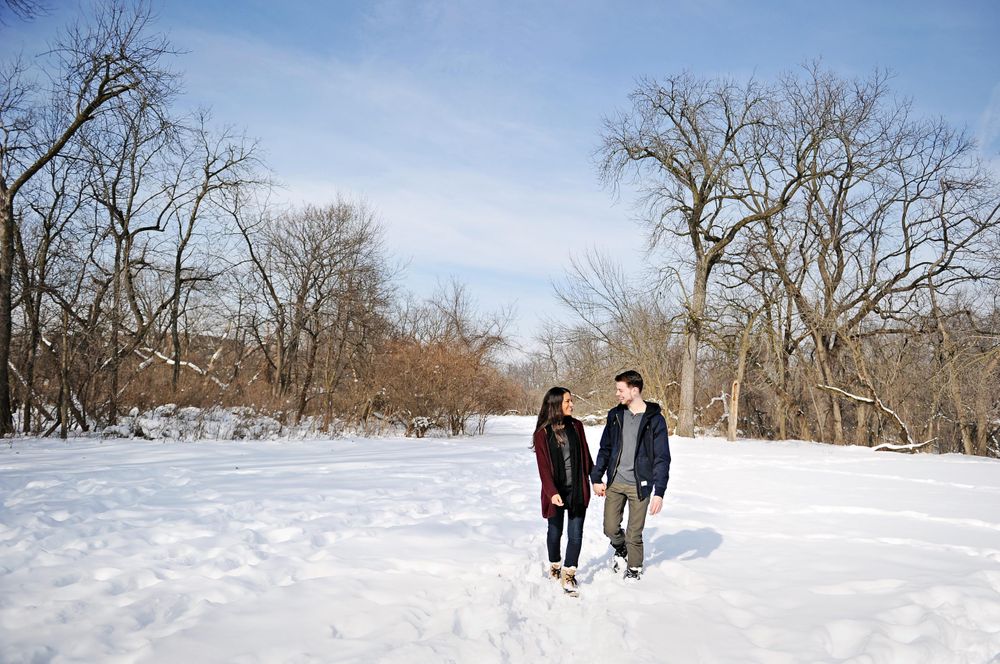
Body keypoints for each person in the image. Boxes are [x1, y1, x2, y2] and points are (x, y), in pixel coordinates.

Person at [590, 370, 670, 581]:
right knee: (609, 528)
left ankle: (634, 568)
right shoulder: (615, 415)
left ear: (634, 390)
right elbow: (605, 448)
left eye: (620, 389)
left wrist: (659, 492)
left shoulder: (655, 420)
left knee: (635, 533)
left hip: (640, 485)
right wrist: (597, 478)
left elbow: (662, 458)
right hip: (615, 482)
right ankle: (621, 549)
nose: (617, 394)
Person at [532, 387, 594, 596]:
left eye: (571, 401)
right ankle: (555, 565)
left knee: (575, 534)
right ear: (556, 404)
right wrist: (551, 492)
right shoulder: (543, 433)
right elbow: (543, 468)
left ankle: (569, 573)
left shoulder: (577, 426)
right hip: (555, 492)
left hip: (577, 489)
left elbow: (586, 456)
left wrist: (595, 479)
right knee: (554, 532)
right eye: (567, 401)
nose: (571, 405)